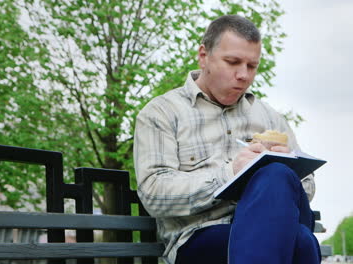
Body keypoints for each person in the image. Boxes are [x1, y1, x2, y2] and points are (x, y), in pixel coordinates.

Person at [133, 15, 321, 264]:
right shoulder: (162, 113)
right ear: (203, 56)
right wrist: (230, 173)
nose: (243, 75)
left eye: (251, 66)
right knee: (302, 241)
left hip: (275, 228)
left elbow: (307, 187)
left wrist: (289, 170)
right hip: (200, 236)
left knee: (277, 174)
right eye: (232, 62)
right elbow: (154, 195)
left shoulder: (270, 118)